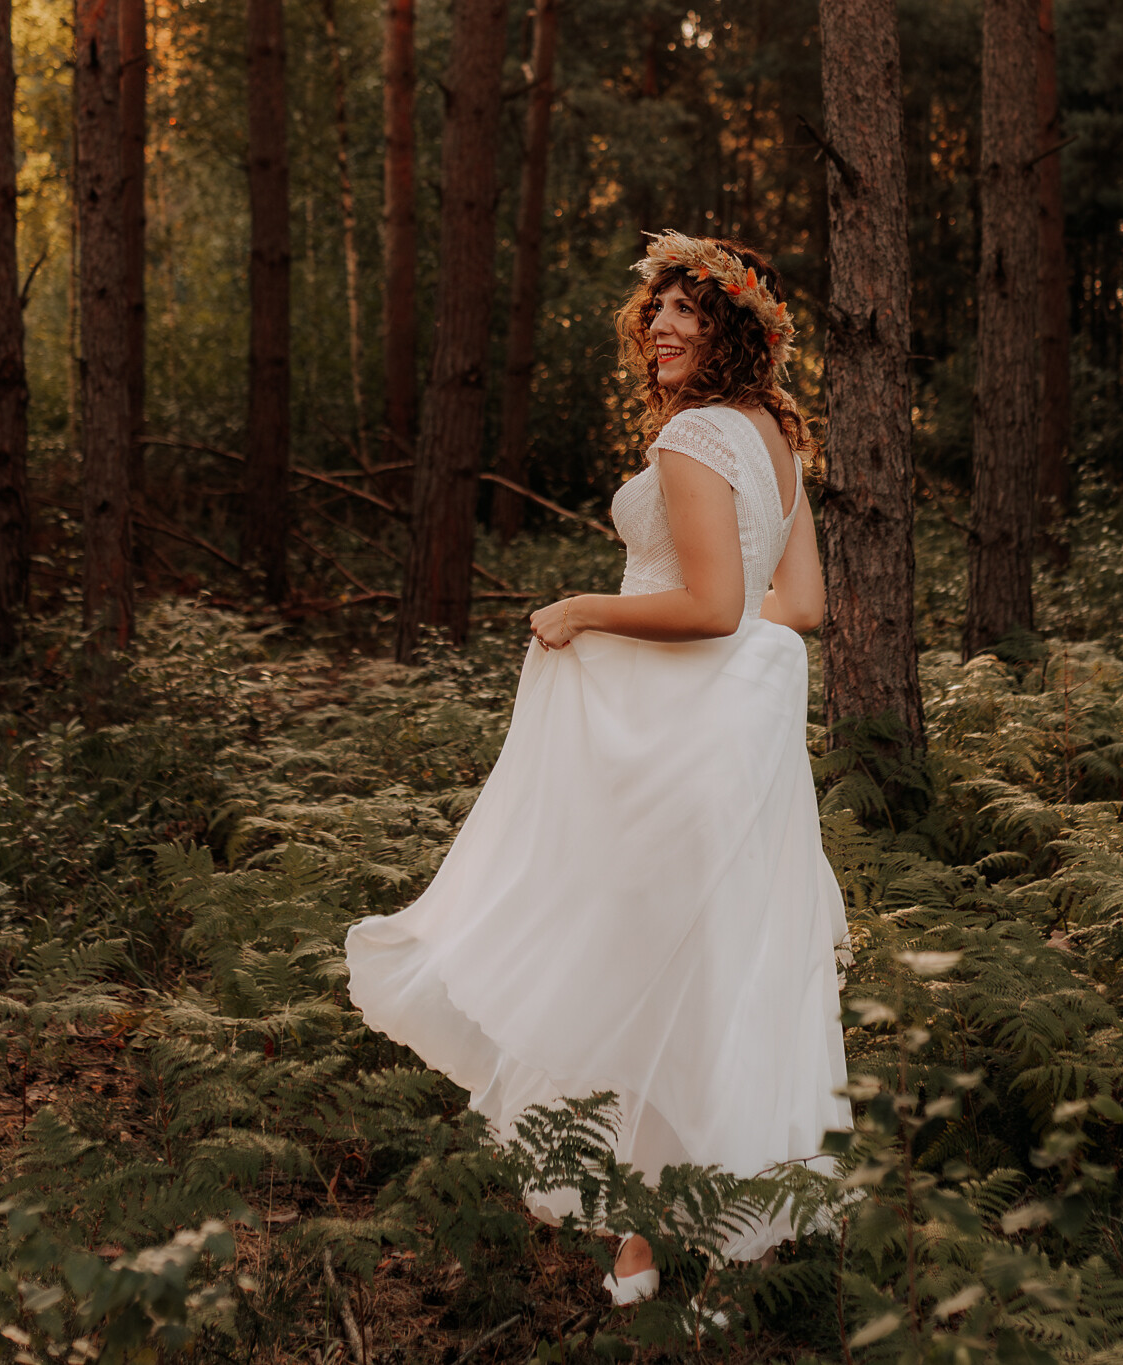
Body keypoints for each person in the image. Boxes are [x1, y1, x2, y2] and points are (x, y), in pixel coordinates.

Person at [344, 232, 850, 1306]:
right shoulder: (773, 441)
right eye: (656, 307)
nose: (661, 324)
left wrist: (586, 609)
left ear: (732, 329)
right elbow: (797, 607)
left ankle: (646, 1236)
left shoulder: (695, 437)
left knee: (641, 967)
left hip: (672, 743)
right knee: (712, 972)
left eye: (688, 310)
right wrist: (731, 664)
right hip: (734, 744)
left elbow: (714, 606)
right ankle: (707, 1239)